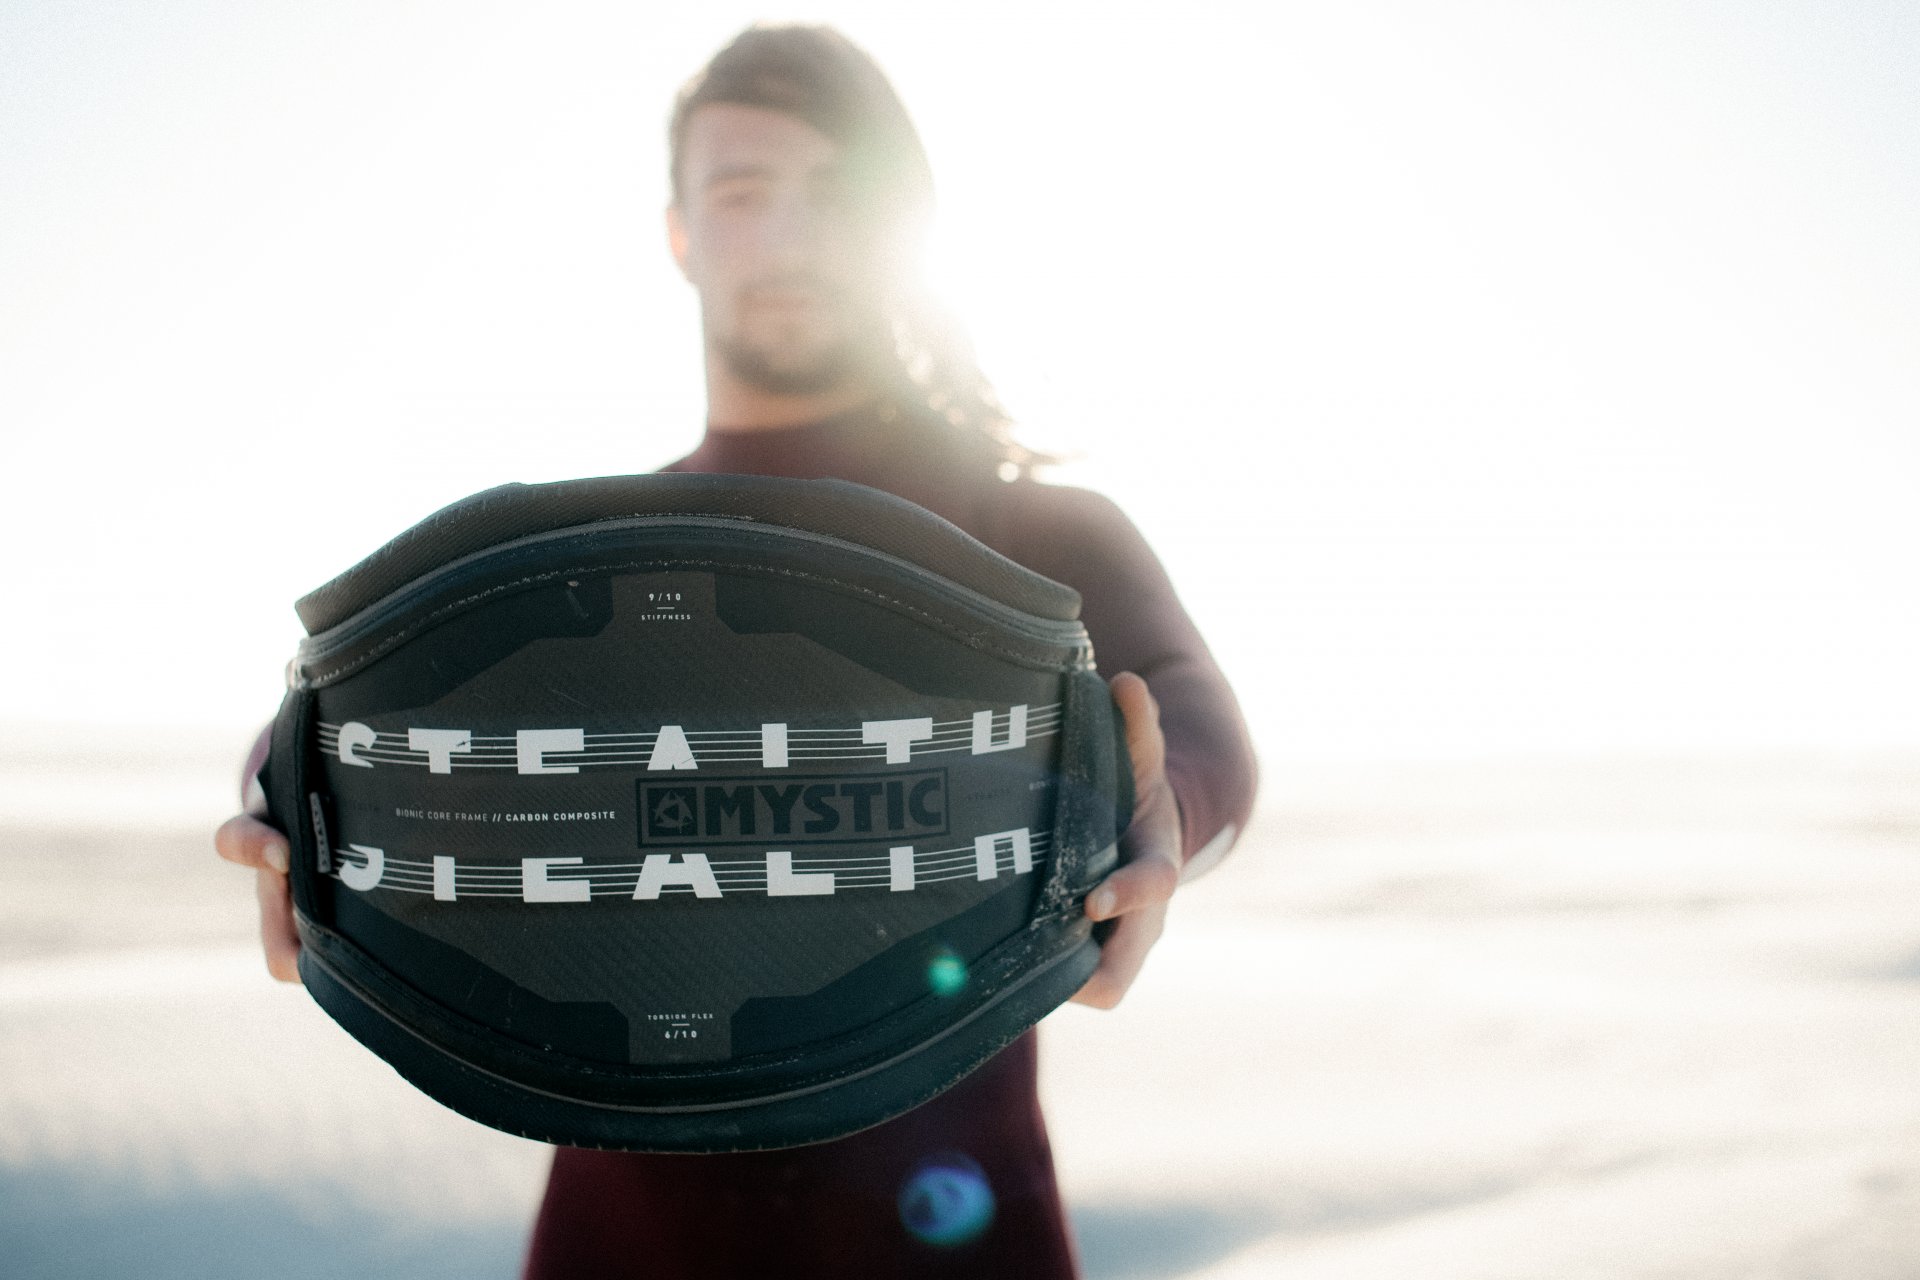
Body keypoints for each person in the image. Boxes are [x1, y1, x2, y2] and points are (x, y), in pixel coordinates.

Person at [215, 24, 1257, 1279]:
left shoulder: (1029, 534)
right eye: (744, 192)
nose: (788, 235)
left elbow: (1191, 712)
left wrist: (1161, 809)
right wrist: (289, 797)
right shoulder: (598, 561)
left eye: (833, 192)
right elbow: (374, 719)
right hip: (622, 1241)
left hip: (958, 1235)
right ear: (681, 235)